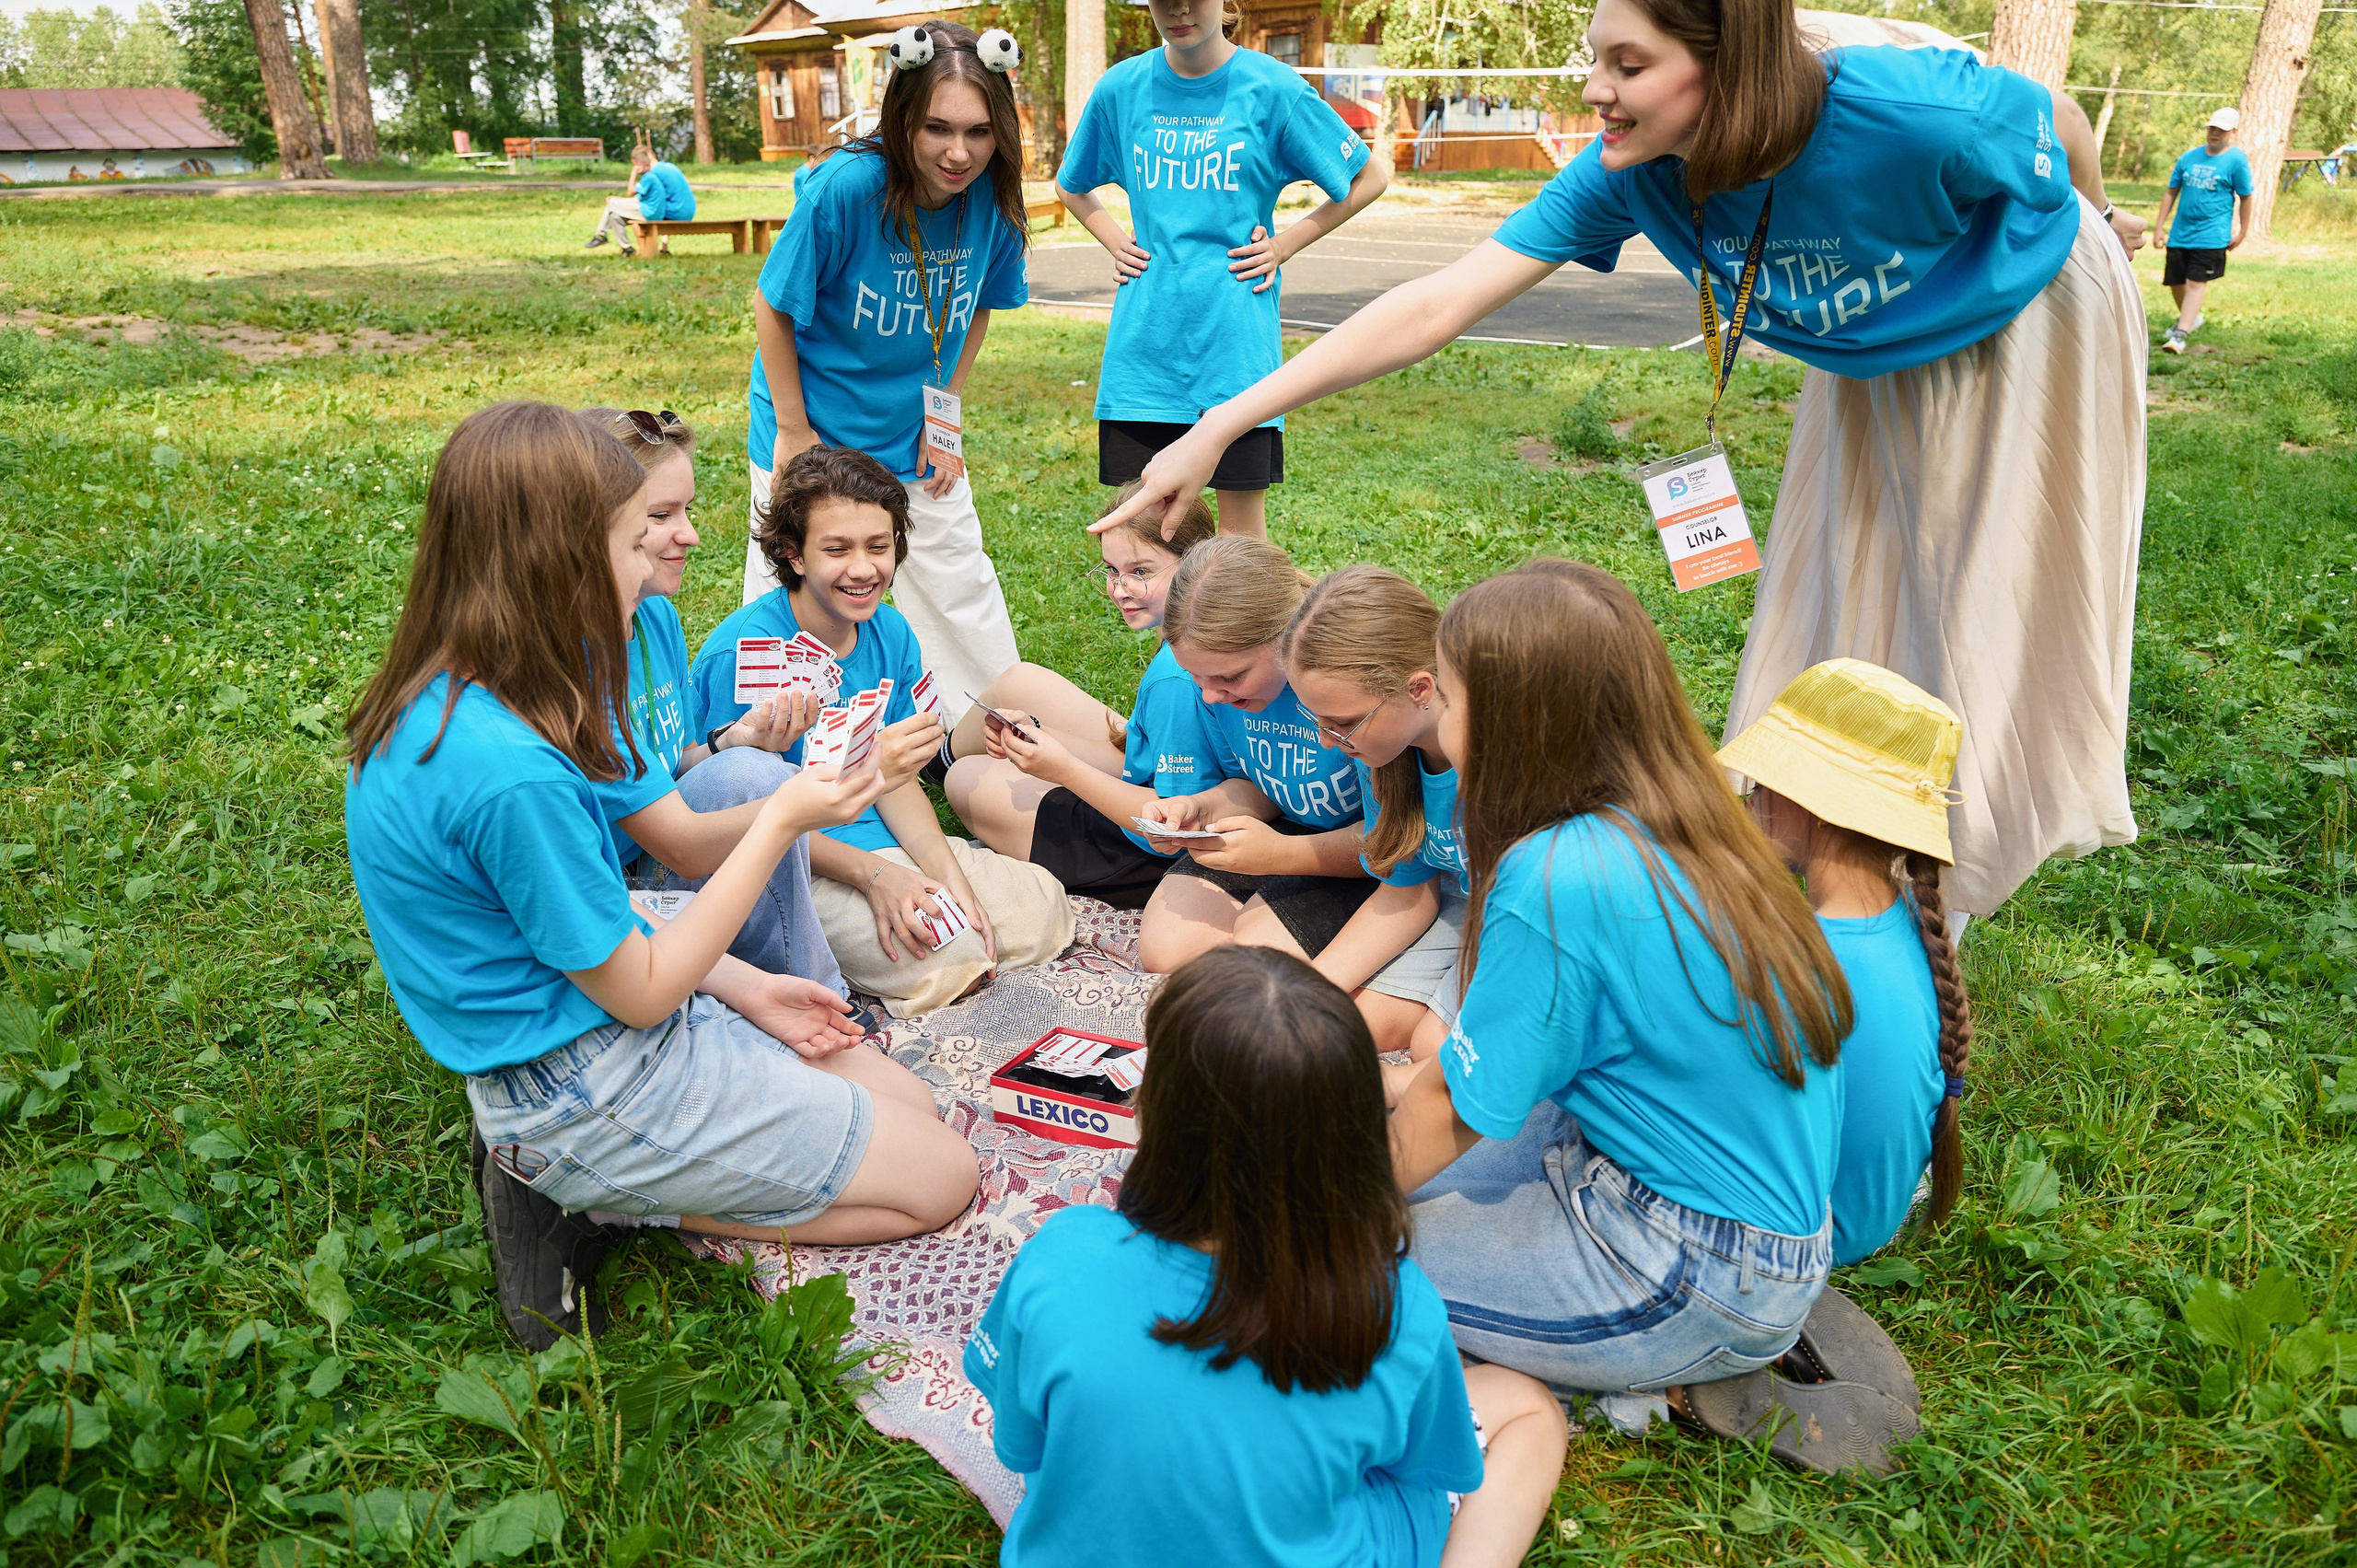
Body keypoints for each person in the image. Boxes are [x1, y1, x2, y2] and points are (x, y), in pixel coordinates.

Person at [1104, 0, 2151, 922]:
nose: (1595, 89)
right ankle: (1837, 854)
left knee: (1977, 618)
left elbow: (2048, 121)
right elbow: (1433, 306)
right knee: (1847, 597)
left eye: (1628, 64)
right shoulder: (1630, 168)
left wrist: (2097, 218)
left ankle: (1937, 909)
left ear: (1724, 55)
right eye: (1593, 58)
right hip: (1874, 352)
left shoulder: (1905, 107)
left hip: (2018, 323)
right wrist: (1214, 427)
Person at [343, 403, 979, 1351]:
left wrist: (749, 984)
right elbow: (639, 993)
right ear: (554, 555)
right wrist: (783, 814)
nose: (658, 561)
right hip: (579, 1083)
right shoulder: (507, 766)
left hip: (588, 1016)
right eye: (633, 540)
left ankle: (633, 1174)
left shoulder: (462, 691)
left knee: (914, 1104)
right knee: (946, 1177)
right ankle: (612, 1198)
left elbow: (569, 917)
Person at [1387, 562, 1919, 1475]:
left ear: (1516, 719)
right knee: (1391, 1171)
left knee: (1326, 1266)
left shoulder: (1553, 875)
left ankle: (1648, 1367)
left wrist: (1315, 1209)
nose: (1438, 721)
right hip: (1710, 1207)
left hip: (1688, 1265)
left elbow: (1451, 1110)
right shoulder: (1698, 811)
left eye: (1452, 697)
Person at [965, 945, 1566, 1568]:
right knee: (1528, 1407)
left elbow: (1024, 1448)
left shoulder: (1060, 1254)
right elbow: (1428, 1463)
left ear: (1153, 1114)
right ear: (1357, 1136)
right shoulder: (1395, 1305)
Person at [688, 445, 1074, 1016]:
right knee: (952, 960)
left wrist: (948, 875)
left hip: (885, 842)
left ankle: (935, 910)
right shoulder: (743, 654)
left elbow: (897, 782)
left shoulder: (891, 632)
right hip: (794, 864)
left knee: (1044, 910)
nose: (864, 568)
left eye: (879, 545)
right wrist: (876, 876)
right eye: (836, 549)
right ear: (793, 555)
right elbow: (734, 817)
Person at [746, 17, 1030, 722]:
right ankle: (780, 740)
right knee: (799, 591)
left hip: (913, 432)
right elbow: (773, 306)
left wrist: (946, 421)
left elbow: (979, 309)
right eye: (937, 128)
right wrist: (791, 430)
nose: (959, 152)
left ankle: (987, 732)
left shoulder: (991, 199)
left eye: (979, 131)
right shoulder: (844, 189)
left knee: (960, 580)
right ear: (903, 117)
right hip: (816, 431)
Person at [1055, 0, 1389, 539]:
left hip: (1235, 352)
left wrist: (1284, 244)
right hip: (1145, 355)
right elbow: (1071, 183)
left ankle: (1251, 626)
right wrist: (1116, 241)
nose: (1179, 10)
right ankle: (1173, 629)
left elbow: (1369, 176)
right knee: (1145, 536)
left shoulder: (1274, 87)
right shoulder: (1121, 89)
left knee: (1240, 547)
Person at [576, 407, 869, 995]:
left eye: (687, 509)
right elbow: (680, 846)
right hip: (607, 902)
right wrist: (799, 807)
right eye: (660, 516)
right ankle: (820, 993)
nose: (690, 534)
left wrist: (733, 740)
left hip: (660, 862)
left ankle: (797, 984)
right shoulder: (575, 664)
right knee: (759, 785)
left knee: (749, 769)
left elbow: (671, 761)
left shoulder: (655, 614)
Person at [1717, 657, 1970, 1265]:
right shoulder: (1903, 913)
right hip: (1876, 1210)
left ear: (1819, 802)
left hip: (1815, 1236)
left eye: (1765, 780)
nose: (1749, 796)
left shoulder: (1805, 959)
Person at [943, 484, 1220, 910]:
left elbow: (1168, 822)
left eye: (1141, 572)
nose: (1119, 588)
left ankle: (933, 767)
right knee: (1021, 682)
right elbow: (1140, 759)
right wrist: (1039, 735)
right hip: (1158, 784)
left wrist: (1064, 769)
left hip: (1149, 853)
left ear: (1196, 564)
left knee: (965, 780)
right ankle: (937, 758)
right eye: (1110, 569)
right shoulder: (1189, 641)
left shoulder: (1177, 678)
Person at [1131, 536, 1369, 973]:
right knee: (1167, 950)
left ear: (1286, 638)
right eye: (1194, 676)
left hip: (1365, 856)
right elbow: (1255, 784)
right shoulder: (1218, 690)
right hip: (1283, 834)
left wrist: (1280, 856)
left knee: (1253, 959)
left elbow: (1397, 840)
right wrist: (1199, 807)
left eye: (1231, 677)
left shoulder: (1343, 692)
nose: (1210, 695)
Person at [1273, 566, 1467, 1066]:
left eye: (1341, 723)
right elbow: (1407, 890)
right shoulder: (1386, 754)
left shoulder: (1500, 759)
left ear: (1419, 689)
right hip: (1467, 906)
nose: (1325, 741)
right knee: (1334, 1026)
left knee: (1437, 1051)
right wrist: (1306, 991)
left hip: (1534, 922)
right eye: (1317, 721)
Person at [2154, 106, 2254, 355]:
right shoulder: (2189, 157)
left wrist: (2243, 231)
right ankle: (2191, 319)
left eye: (2221, 130)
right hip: (2180, 233)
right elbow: (2171, 192)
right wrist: (2158, 228)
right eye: (2212, 128)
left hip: (2212, 234)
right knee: (2175, 282)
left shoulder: (2236, 161)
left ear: (2234, 132)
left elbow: (2246, 196)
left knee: (2195, 282)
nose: (2214, 133)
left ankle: (2180, 334)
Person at [586, 141, 695, 255]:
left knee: (617, 208)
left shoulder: (653, 173)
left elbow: (635, 196)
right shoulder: (668, 166)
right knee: (616, 216)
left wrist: (617, 199)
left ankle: (604, 237)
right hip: (686, 210)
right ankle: (628, 249)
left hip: (673, 212)